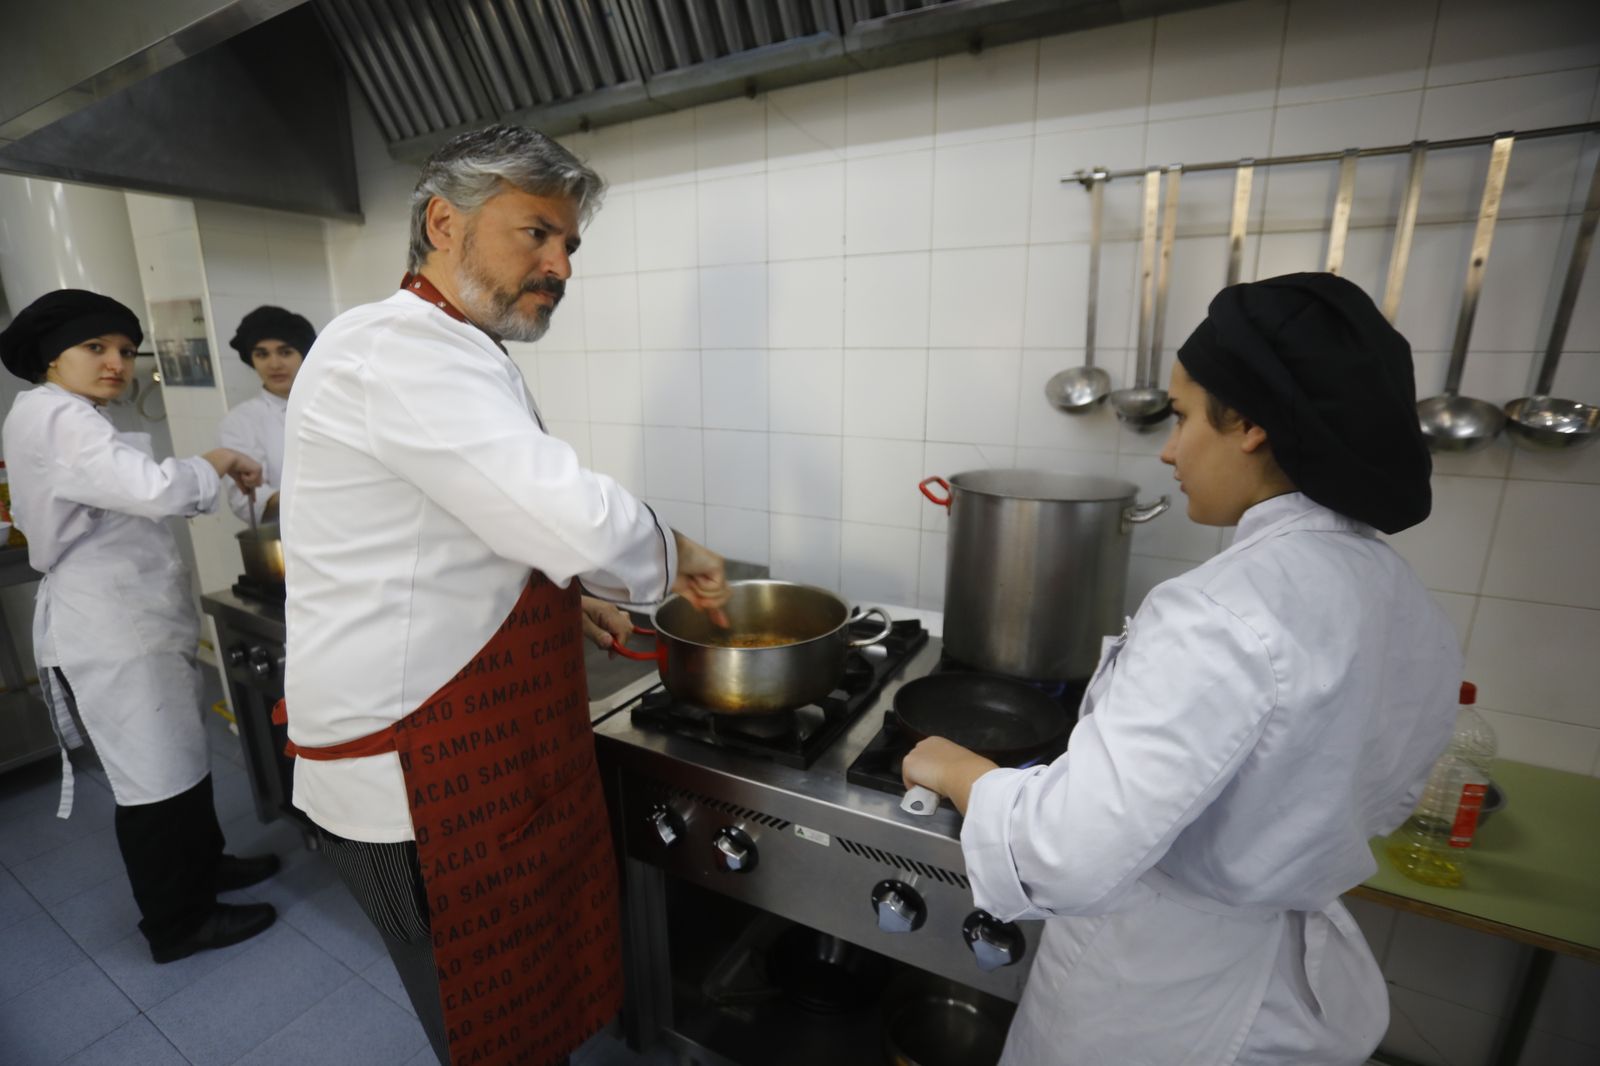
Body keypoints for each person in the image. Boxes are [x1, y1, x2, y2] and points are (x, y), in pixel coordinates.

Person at [903, 273, 1464, 1066]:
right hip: (1287, 990)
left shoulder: (1221, 612)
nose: (1169, 448)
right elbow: (1380, 796)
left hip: (1157, 1004)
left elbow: (1067, 853)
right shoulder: (1403, 599)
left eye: (1182, 416)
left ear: (1253, 427)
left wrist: (959, 770)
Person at [277, 125, 731, 1066]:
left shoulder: (451, 350)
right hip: (415, 782)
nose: (561, 264)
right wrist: (672, 549)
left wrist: (570, 600)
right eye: (537, 234)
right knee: (487, 1036)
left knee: (526, 1017)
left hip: (473, 758)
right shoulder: (396, 349)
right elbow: (569, 517)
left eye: (569, 246)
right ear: (444, 222)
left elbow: (467, 526)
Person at [0, 289, 282, 964]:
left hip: (137, 621)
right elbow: (155, 489)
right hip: (111, 627)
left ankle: (207, 868)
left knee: (180, 757)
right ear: (52, 357)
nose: (115, 363)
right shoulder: (55, 415)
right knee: (152, 781)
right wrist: (216, 460)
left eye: (125, 350)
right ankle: (178, 924)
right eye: (95, 348)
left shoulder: (71, 414)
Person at [218, 305, 314, 524]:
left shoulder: (334, 408)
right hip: (287, 541)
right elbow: (247, 501)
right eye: (262, 354)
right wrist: (319, 498)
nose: (274, 364)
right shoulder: (240, 422)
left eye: (285, 352)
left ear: (304, 355)